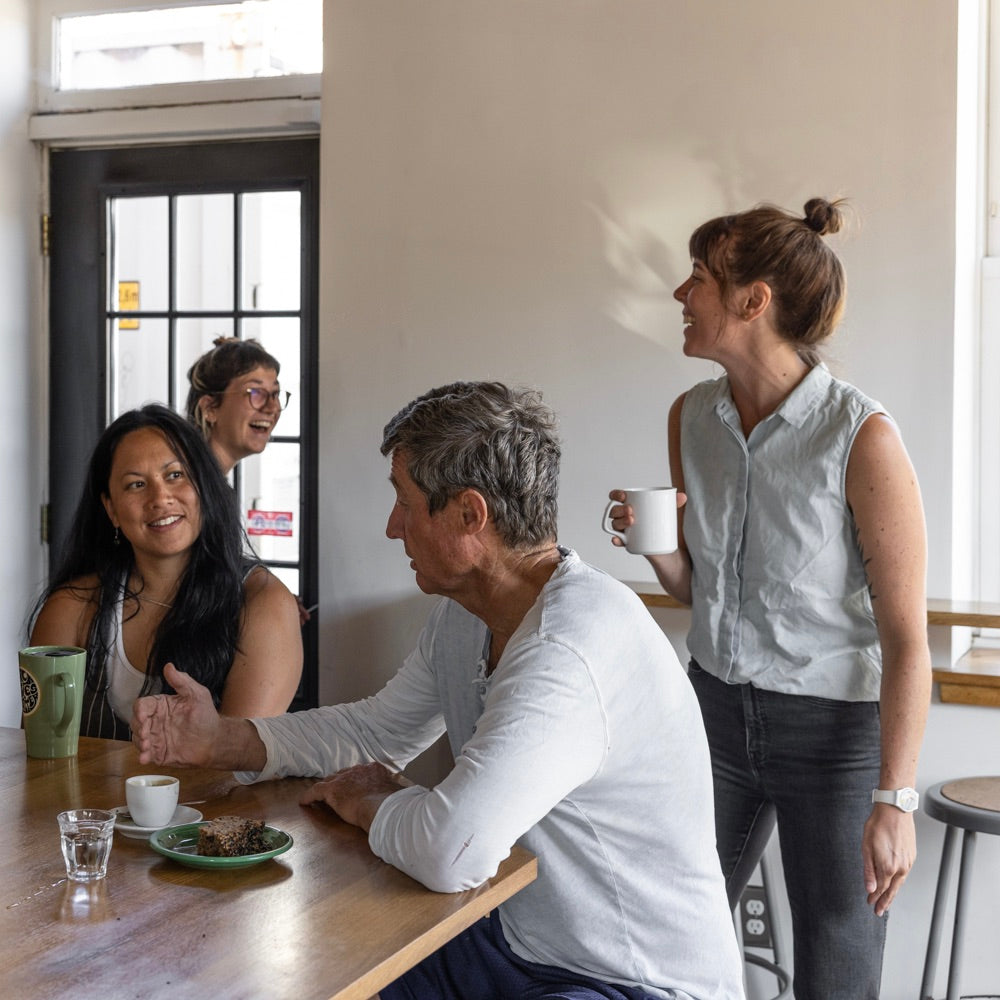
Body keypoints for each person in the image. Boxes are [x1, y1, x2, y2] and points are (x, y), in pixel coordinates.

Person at [132, 381, 745, 1000]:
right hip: (515, 942)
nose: (393, 526)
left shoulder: (570, 645)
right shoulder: (468, 612)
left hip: (631, 983)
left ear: (469, 514)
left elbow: (452, 852)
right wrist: (223, 739)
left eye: (405, 501)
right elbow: (375, 731)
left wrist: (370, 802)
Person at [608, 198, 932, 1000]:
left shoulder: (863, 438)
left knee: (838, 960)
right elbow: (696, 589)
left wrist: (894, 800)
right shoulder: (692, 420)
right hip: (711, 710)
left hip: (831, 732)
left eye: (698, 280)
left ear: (754, 301)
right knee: (664, 933)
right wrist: (657, 548)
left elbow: (906, 642)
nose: (681, 296)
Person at [30, 404, 303, 740]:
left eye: (175, 475)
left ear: (204, 486)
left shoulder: (262, 602)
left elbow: (239, 763)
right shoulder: (71, 608)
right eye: (135, 485)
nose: (160, 498)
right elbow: (42, 756)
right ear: (111, 509)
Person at [185, 336, 289, 477]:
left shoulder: (209, 484)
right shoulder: (186, 489)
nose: (272, 408)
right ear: (210, 408)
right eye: (256, 392)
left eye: (275, 394)